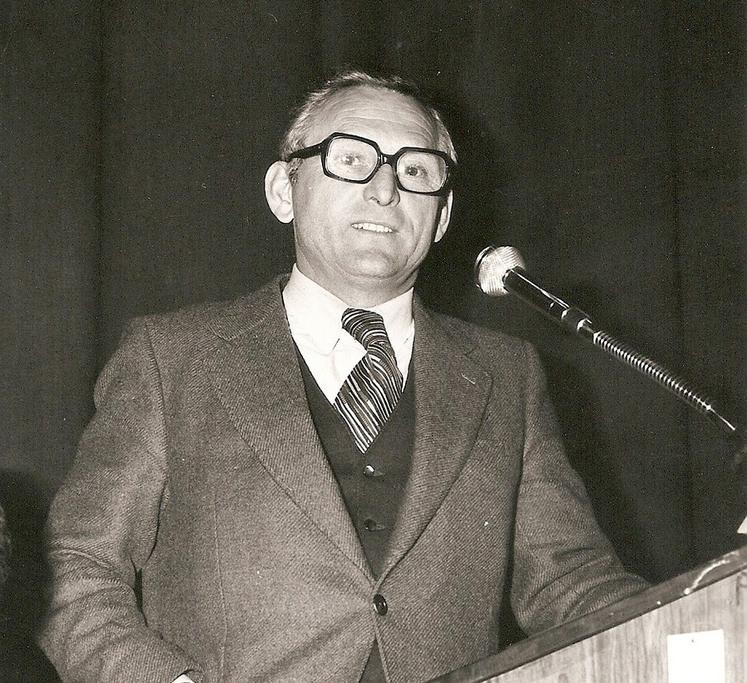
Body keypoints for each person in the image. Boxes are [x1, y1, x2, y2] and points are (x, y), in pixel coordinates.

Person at [40, 70, 647, 682]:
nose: (386, 190)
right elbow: (74, 569)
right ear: (284, 190)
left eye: (416, 170)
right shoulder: (171, 357)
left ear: (442, 215)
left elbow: (570, 582)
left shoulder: (507, 375)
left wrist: (716, 601)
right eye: (352, 159)